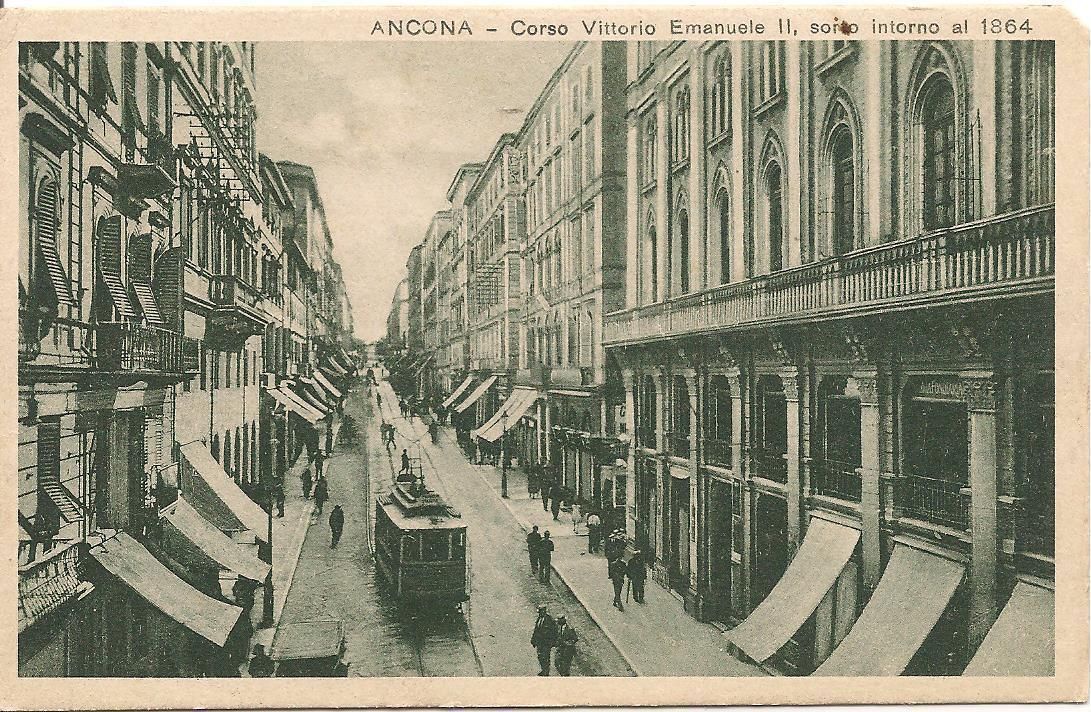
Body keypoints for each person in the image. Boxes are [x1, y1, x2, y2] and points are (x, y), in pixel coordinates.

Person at [530, 605, 557, 676]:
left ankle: (546, 671)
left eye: (540, 612)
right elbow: (536, 630)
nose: (539, 613)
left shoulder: (549, 620)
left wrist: (552, 642)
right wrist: (533, 639)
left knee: (545, 657)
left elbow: (554, 631)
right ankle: (543, 670)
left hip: (546, 643)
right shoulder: (539, 619)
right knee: (540, 657)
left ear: (544, 611)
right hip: (539, 643)